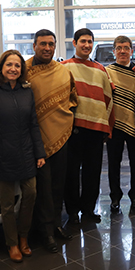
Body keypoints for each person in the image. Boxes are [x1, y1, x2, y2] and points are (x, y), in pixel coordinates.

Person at [0, 50, 46, 263]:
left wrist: (39, 152)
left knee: (31, 195)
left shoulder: (27, 91)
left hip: (26, 154)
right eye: (9, 65)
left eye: (17, 65)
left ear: (22, 69)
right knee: (6, 205)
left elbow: (33, 124)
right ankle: (12, 244)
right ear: (1, 67)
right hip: (2, 156)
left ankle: (24, 238)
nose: (13, 69)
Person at [25, 29, 78, 253]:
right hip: (35, 140)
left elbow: (72, 98)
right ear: (34, 45)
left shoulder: (62, 71)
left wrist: (66, 119)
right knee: (42, 189)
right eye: (43, 44)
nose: (47, 48)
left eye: (51, 44)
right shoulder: (24, 71)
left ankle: (56, 224)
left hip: (61, 136)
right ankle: (44, 232)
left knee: (58, 184)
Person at [62, 28, 115, 224]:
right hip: (72, 130)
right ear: (74, 43)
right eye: (83, 41)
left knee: (93, 173)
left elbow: (109, 99)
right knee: (72, 173)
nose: (86, 45)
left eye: (90, 42)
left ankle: (88, 210)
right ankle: (73, 212)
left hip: (95, 130)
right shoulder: (64, 67)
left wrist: (107, 127)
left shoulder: (101, 70)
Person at [105, 36, 135, 216]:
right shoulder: (107, 72)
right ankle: (115, 198)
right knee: (114, 163)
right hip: (115, 125)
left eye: (126, 48)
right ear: (114, 51)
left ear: (131, 50)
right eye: (119, 48)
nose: (122, 51)